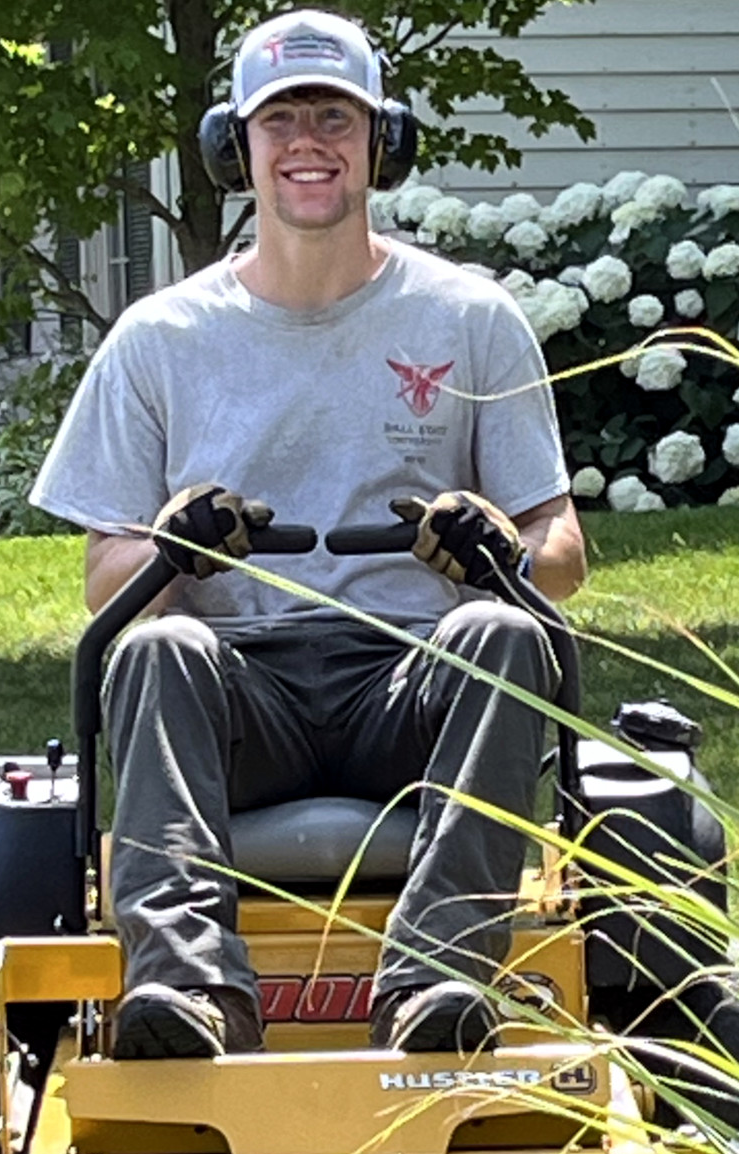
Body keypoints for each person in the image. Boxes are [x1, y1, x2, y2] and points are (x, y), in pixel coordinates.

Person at [30, 8, 586, 1060]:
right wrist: (169, 549)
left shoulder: (469, 317)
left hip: (415, 690)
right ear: (232, 148)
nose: (306, 144)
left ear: (383, 141)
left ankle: (436, 985)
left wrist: (498, 554)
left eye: (334, 116)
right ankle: (188, 993)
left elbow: (559, 554)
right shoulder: (159, 341)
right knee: (151, 644)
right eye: (278, 121)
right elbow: (105, 581)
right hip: (240, 700)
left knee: (507, 636)